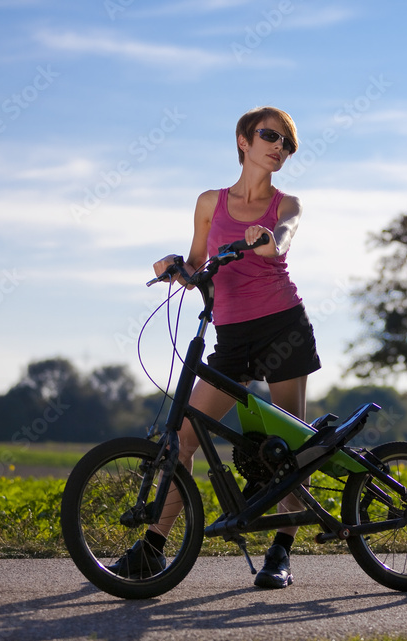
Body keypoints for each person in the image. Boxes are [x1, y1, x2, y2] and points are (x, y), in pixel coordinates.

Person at [110, 106, 320, 589]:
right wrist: (175, 266)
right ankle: (152, 549)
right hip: (231, 334)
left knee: (291, 444)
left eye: (287, 144)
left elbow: (280, 242)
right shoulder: (211, 202)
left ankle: (281, 553)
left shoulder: (287, 205)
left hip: (282, 325)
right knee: (181, 438)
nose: (278, 147)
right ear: (244, 140)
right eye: (270, 136)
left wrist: (267, 239)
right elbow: (200, 266)